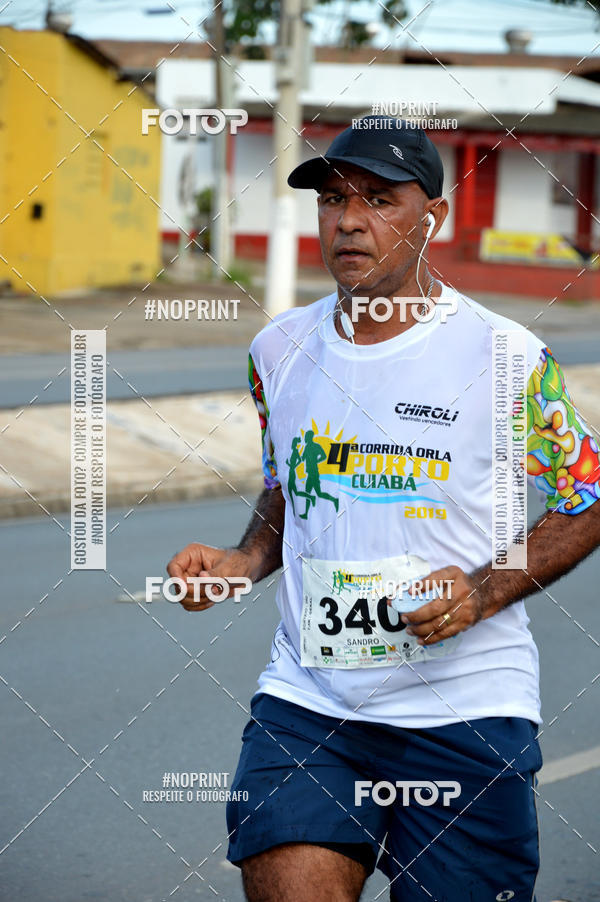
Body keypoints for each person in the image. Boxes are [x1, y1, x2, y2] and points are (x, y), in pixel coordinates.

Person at [167, 116, 600, 902]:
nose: (350, 219)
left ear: (433, 217)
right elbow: (285, 487)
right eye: (333, 198)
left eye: (379, 198)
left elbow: (586, 501)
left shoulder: (504, 357)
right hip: (309, 704)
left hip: (465, 713)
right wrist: (242, 562)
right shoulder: (280, 350)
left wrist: (481, 589)